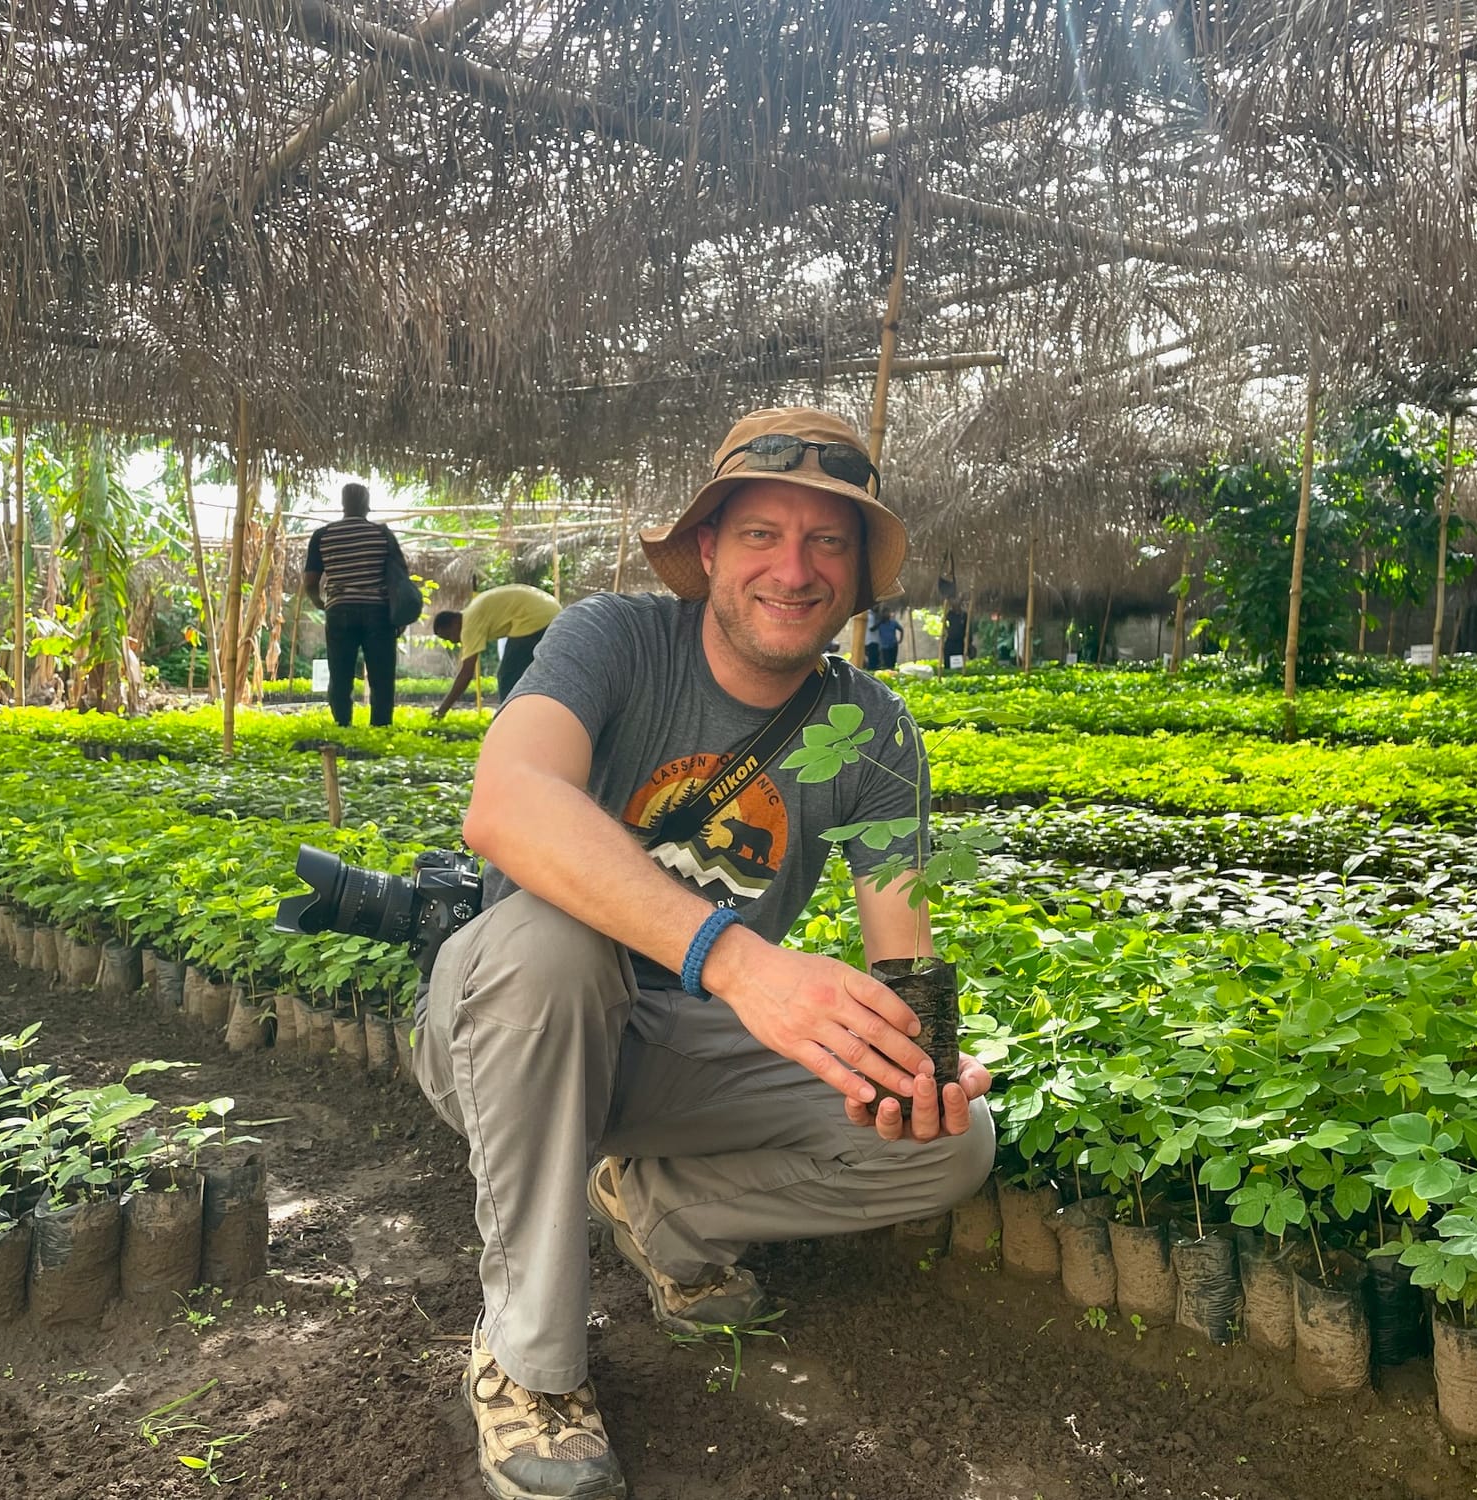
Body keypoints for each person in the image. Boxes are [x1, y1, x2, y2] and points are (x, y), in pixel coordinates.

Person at [412, 407, 993, 1500]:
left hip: (674, 1048)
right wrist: (735, 958)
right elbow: (506, 804)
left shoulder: (874, 730)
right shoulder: (609, 641)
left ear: (858, 572)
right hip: (510, 1031)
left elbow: (898, 951)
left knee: (949, 1147)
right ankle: (528, 1366)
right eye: (763, 533)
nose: (794, 567)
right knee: (552, 938)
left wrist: (916, 1066)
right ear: (710, 550)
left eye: (828, 541)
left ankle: (664, 1212)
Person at [302, 481, 405, 729]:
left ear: (343, 504)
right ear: (367, 505)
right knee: (382, 676)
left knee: (340, 674)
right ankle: (380, 728)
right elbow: (400, 578)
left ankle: (343, 725)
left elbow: (310, 580)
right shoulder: (382, 535)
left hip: (339, 610)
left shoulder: (323, 535)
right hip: (378, 612)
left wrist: (321, 602)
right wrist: (398, 616)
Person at [430, 583, 564, 719]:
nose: (453, 641)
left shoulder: (469, 625)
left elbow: (466, 674)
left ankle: (510, 720)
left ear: (455, 623)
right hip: (550, 610)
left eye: (448, 635)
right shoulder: (473, 611)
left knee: (507, 676)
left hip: (535, 617)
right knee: (532, 673)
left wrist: (442, 710)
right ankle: (537, 715)